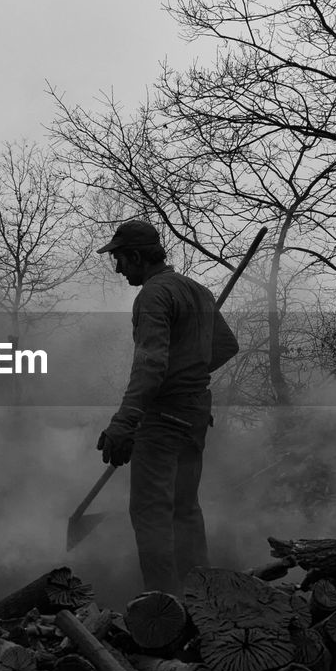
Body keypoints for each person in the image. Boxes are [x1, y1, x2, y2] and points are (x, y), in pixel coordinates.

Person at [96, 220, 239, 594]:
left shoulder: (153, 296)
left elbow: (150, 364)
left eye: (121, 260)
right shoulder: (198, 291)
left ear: (138, 256)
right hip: (193, 419)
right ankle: (202, 599)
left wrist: (124, 422)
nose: (119, 268)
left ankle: (161, 603)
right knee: (185, 511)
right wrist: (187, 373)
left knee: (151, 514)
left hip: (162, 422)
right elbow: (226, 346)